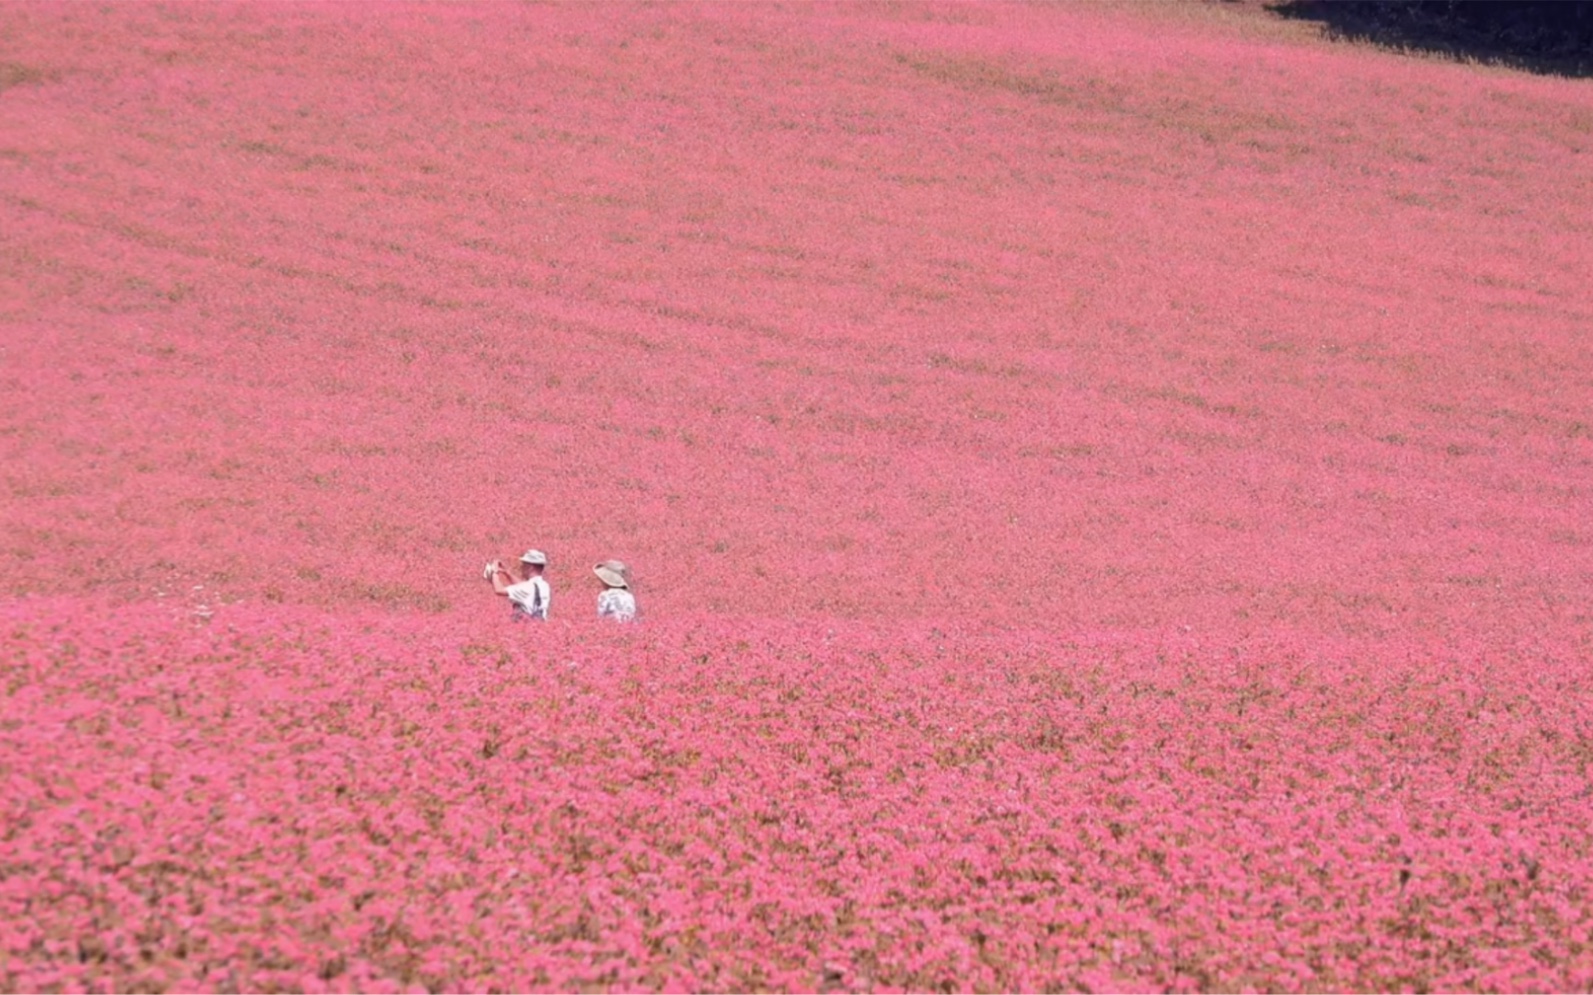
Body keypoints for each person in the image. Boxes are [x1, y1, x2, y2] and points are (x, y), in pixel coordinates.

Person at [485, 549, 551, 621]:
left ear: (530, 567)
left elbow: (499, 590)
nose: (521, 568)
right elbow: (523, 586)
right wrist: (507, 573)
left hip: (526, 626)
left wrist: (494, 572)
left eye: (524, 565)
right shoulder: (544, 585)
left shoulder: (527, 588)